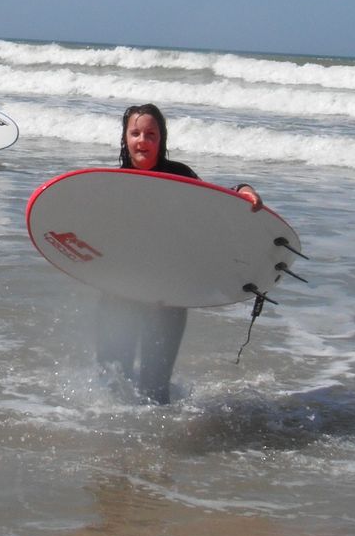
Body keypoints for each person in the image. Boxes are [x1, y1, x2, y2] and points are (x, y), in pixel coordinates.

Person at [95, 103, 262, 404]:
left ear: (162, 140)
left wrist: (243, 189)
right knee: (111, 385)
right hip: (118, 295)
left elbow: (216, 204)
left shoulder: (179, 178)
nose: (142, 140)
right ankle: (115, 444)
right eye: (135, 133)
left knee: (156, 391)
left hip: (168, 298)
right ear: (125, 138)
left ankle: (161, 446)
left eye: (151, 134)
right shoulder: (112, 183)